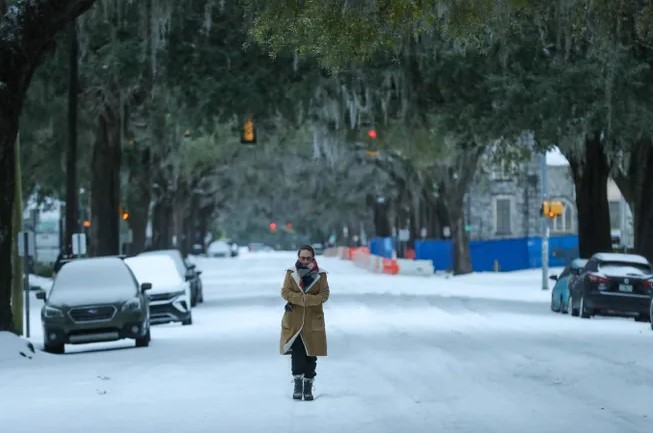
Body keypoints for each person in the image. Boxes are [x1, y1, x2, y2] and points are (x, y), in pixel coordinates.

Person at [280, 245, 330, 401]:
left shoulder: (321, 275)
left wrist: (308, 300)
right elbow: (285, 292)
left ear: (313, 258)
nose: (305, 260)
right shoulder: (291, 273)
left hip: (313, 320)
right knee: (297, 352)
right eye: (303, 257)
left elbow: (324, 295)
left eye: (308, 258)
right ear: (298, 257)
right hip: (294, 319)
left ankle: (308, 387)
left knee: (311, 354)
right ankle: (298, 385)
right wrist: (299, 299)